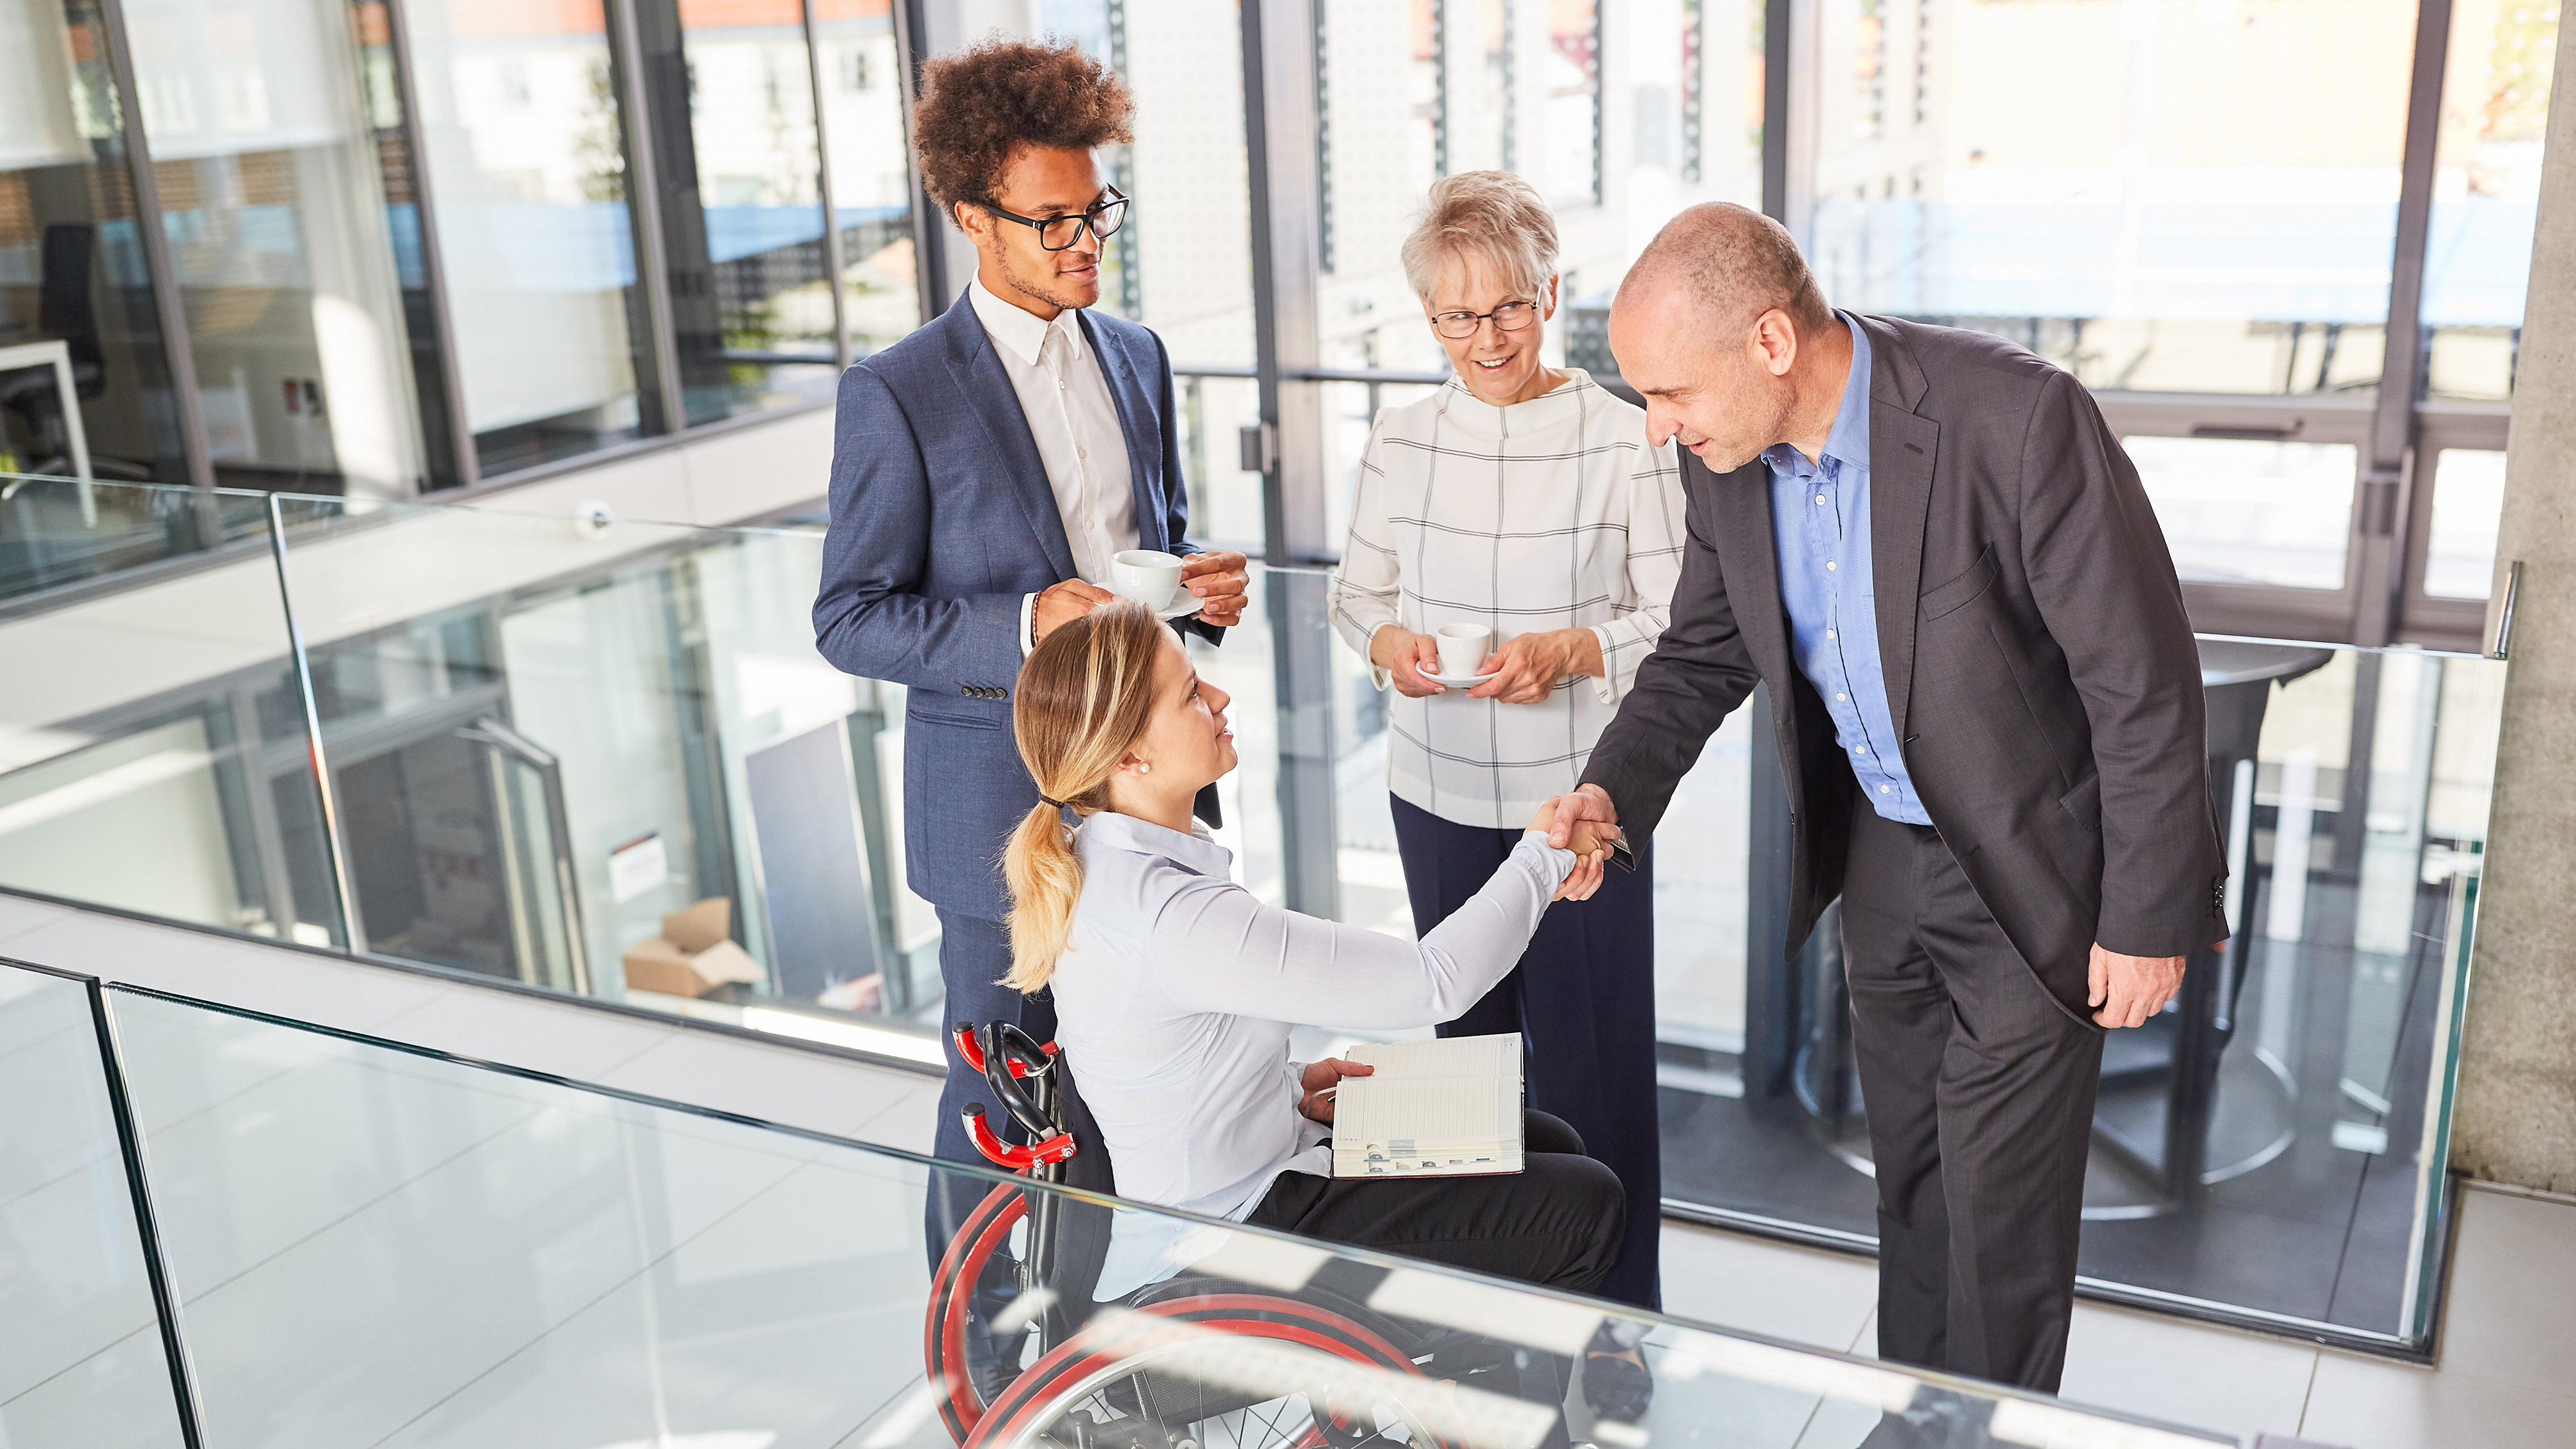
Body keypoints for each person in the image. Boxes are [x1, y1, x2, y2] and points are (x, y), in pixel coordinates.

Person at [1547, 204, 2226, 1396]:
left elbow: (2144, 681)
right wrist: (1611, 792)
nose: (1656, 431)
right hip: (1881, 867)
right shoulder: (1728, 464)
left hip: (2033, 874)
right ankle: (1925, 1420)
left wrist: (2150, 916)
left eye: (1668, 395)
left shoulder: (2014, 419)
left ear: (1769, 342)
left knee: (2000, 1214)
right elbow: (1703, 655)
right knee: (1913, 1181)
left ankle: (1989, 1429)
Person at [810, 37, 1249, 1261]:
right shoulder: (898, 392)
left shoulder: (1137, 355)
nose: (1082, 244)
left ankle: (1085, 1351)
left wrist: (1195, 592)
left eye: (1095, 213)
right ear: (971, 216)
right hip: (999, 818)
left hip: (1145, 802)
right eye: (1049, 221)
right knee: (999, 1105)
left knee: (1122, 1087)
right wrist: (1020, 625)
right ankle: (978, 1376)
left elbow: (1136, 559)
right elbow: (849, 616)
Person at [1002, 600, 1630, 1330]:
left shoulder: (1105, 861)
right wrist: (1545, 853)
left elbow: (1163, 1055)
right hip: (1227, 1239)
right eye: (1190, 694)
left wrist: (1287, 1086)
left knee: (1545, 1142)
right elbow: (1436, 981)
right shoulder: (1172, 916)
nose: (1220, 698)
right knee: (1586, 1207)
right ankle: (1478, 1405)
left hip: (1226, 1181)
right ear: (1129, 758)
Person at [1327, 170, 1681, 1317]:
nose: (1487, 338)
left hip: (1575, 806)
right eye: (1457, 316)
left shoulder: (1629, 442)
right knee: (1453, 1067)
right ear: (1426, 317)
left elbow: (1679, 627)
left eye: (1511, 307)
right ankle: (1466, 1305)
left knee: (1593, 1078)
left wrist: (1568, 651)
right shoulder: (1400, 439)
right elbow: (1352, 599)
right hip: (1432, 794)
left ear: (1554, 293)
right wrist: (1392, 645)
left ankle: (1620, 1322)